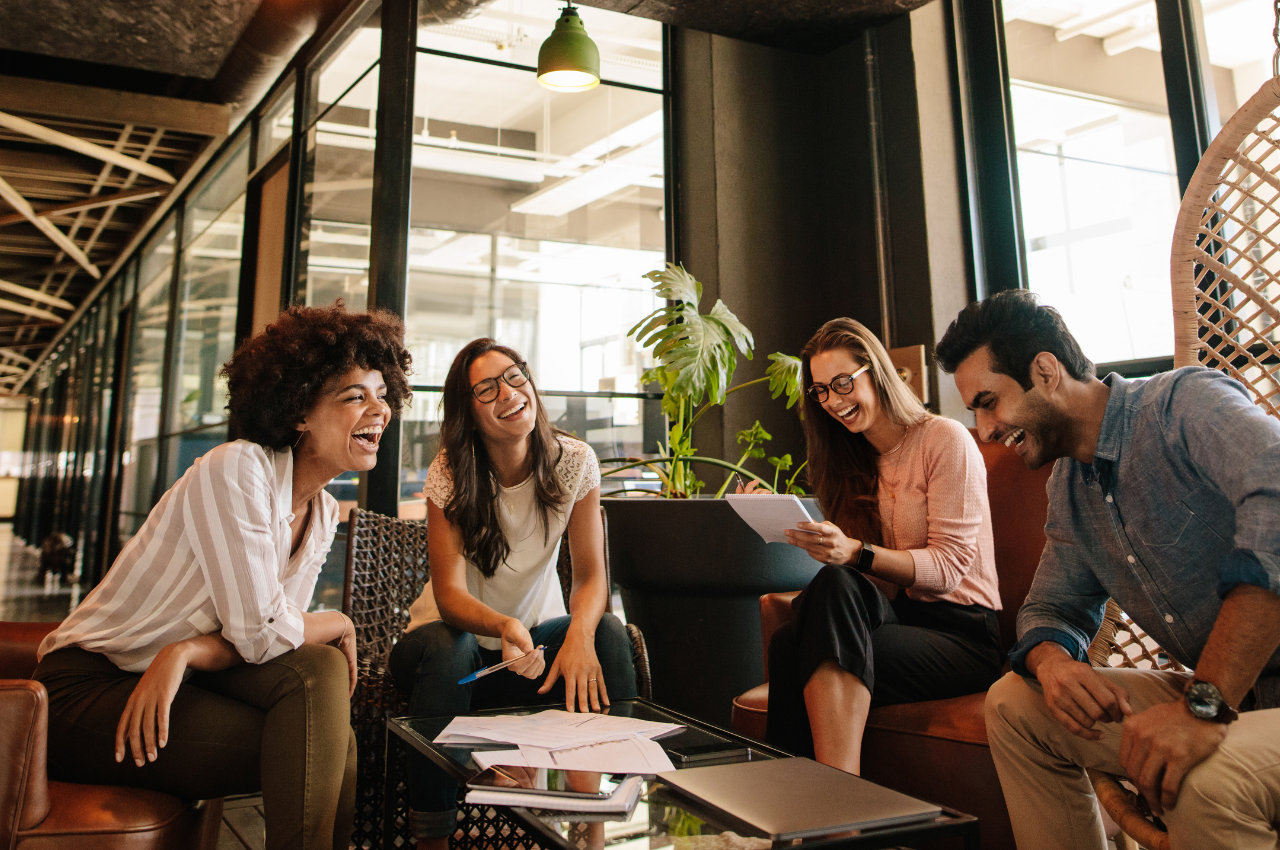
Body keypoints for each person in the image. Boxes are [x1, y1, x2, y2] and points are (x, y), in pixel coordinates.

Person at [33, 304, 413, 850]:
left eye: (383, 394)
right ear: (300, 411)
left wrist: (184, 652)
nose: (379, 409)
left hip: (181, 677)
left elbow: (272, 644)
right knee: (323, 737)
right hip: (85, 692)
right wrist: (337, 620)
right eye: (356, 395)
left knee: (320, 680)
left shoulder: (324, 512)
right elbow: (264, 633)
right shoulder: (237, 468)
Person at [935, 289, 1280, 850]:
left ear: (1044, 371)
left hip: (1220, 699)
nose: (984, 429)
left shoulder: (1182, 405)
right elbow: (1049, 608)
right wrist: (1051, 663)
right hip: (1230, 700)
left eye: (989, 401)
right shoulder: (1071, 491)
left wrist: (1202, 707)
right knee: (1013, 704)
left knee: (1203, 780)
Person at [388, 338, 637, 850]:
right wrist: (502, 625)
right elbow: (449, 595)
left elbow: (591, 577)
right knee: (449, 643)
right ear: (469, 413)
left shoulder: (574, 462)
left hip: (522, 660)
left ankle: (591, 824)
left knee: (606, 635)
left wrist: (581, 636)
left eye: (515, 375)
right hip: (449, 663)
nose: (509, 391)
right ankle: (431, 838)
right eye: (487, 388)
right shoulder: (451, 473)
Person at [762, 317, 1003, 775]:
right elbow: (873, 586)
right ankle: (803, 813)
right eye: (821, 392)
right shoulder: (849, 460)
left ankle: (838, 805)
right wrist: (804, 531)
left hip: (964, 638)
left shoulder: (944, 439)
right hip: (898, 620)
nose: (833, 402)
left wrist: (854, 552)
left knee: (801, 638)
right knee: (803, 625)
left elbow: (949, 568)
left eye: (841, 383)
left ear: (875, 371)